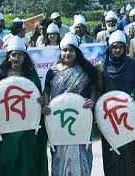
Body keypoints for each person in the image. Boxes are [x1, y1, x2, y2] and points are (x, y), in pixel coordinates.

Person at [43, 33, 98, 176]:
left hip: (81, 120)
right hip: (58, 121)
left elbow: (93, 89)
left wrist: (91, 101)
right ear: (60, 52)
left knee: (81, 155)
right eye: (64, 50)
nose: (67, 53)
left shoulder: (86, 70)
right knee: (59, 156)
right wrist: (46, 105)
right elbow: (46, 91)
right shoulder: (52, 72)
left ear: (76, 52)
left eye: (71, 50)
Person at [0, 37, 49, 176]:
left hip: (28, 128)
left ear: (25, 57)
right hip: (7, 128)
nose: (16, 58)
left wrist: (42, 101)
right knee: (8, 160)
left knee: (28, 160)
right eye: (13, 55)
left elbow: (37, 99)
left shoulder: (31, 75)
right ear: (9, 57)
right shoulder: (0, 75)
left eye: (20, 55)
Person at [99, 31, 135, 176]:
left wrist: (134, 96)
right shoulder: (102, 67)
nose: (117, 50)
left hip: (128, 118)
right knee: (111, 154)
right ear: (109, 48)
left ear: (125, 48)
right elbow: (98, 91)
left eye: (120, 47)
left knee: (128, 154)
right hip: (109, 118)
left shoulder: (132, 65)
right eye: (114, 47)